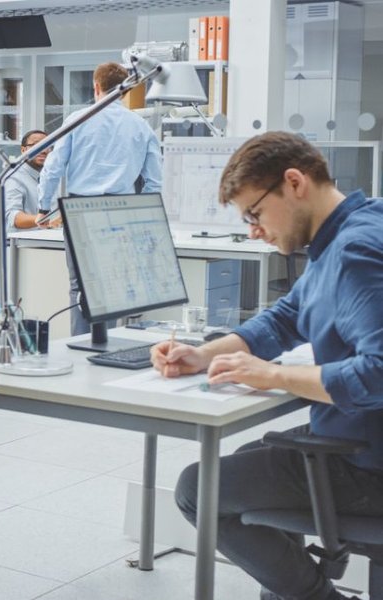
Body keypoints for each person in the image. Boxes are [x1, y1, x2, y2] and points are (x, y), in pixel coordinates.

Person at [151, 132, 383, 600]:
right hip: (360, 443)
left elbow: (377, 374)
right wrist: (202, 355)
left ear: (294, 182)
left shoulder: (354, 253)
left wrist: (274, 376)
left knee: (199, 488)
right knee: (241, 463)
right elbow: (286, 318)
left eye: (254, 213)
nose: (253, 229)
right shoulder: (354, 228)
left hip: (368, 466)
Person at [37, 61, 162, 335]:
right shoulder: (140, 126)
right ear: (125, 91)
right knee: (115, 284)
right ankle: (109, 344)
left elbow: (54, 166)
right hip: (122, 211)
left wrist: (43, 206)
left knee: (80, 285)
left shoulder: (78, 120)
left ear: (96, 86)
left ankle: (82, 348)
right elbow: (154, 181)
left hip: (81, 209)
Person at [3, 129, 50, 232]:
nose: (43, 150)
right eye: (36, 145)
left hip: (48, 237)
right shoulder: (14, 177)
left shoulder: (49, 177)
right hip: (22, 243)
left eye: (47, 145)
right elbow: (14, 218)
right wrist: (44, 219)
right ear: (23, 150)